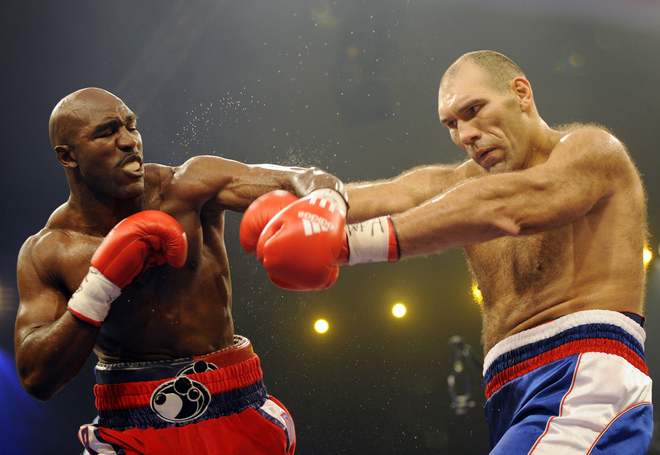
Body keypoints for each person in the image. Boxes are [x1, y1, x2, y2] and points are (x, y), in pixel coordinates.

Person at [241, 50, 653, 453]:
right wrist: (271, 197)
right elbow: (365, 195)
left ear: (521, 93)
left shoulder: (593, 151)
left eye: (473, 110)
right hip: (506, 390)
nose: (464, 135)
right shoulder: (459, 182)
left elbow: (502, 208)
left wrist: (345, 243)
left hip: (585, 375)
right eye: (451, 124)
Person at [15, 87, 348, 455]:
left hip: (234, 403)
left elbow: (301, 180)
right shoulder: (50, 250)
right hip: (129, 428)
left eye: (131, 126)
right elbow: (36, 377)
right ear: (68, 157)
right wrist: (100, 287)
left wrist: (326, 206)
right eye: (107, 131)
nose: (128, 141)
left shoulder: (186, 186)